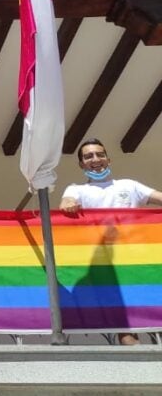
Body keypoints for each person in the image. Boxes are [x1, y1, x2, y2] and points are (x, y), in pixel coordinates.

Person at [60, 138, 161, 346]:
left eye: (100, 154)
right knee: (125, 323)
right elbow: (66, 203)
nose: (95, 159)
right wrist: (69, 204)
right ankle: (141, 370)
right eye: (88, 156)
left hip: (139, 260)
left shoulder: (129, 185)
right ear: (81, 164)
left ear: (108, 159)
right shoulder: (76, 190)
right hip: (105, 266)